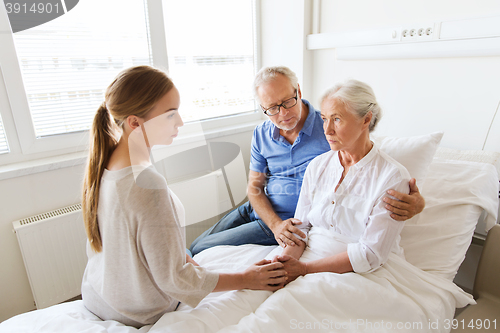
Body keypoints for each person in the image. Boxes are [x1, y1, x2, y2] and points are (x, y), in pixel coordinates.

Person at [80, 66, 287, 328]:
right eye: (170, 115)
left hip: (98, 295)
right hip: (136, 310)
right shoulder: (147, 185)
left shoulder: (104, 165)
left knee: (198, 249)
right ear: (135, 123)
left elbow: (137, 243)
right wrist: (247, 278)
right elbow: (174, 280)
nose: (180, 122)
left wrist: (182, 259)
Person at [189, 66, 425, 256]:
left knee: (200, 250)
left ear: (298, 91)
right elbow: (254, 187)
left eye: (287, 102)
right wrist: (273, 223)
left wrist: (418, 203)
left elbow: (367, 160)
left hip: (288, 220)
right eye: (272, 108)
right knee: (192, 246)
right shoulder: (261, 133)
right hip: (259, 209)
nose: (282, 114)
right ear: (263, 108)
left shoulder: (329, 128)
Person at [274, 79, 412, 282]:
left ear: (366, 120)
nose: (327, 130)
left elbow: (371, 255)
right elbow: (300, 229)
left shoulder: (392, 178)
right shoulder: (318, 165)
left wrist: (303, 269)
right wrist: (282, 266)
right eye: (324, 119)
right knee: (250, 292)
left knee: (277, 309)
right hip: (304, 258)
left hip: (357, 272)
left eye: (337, 119)